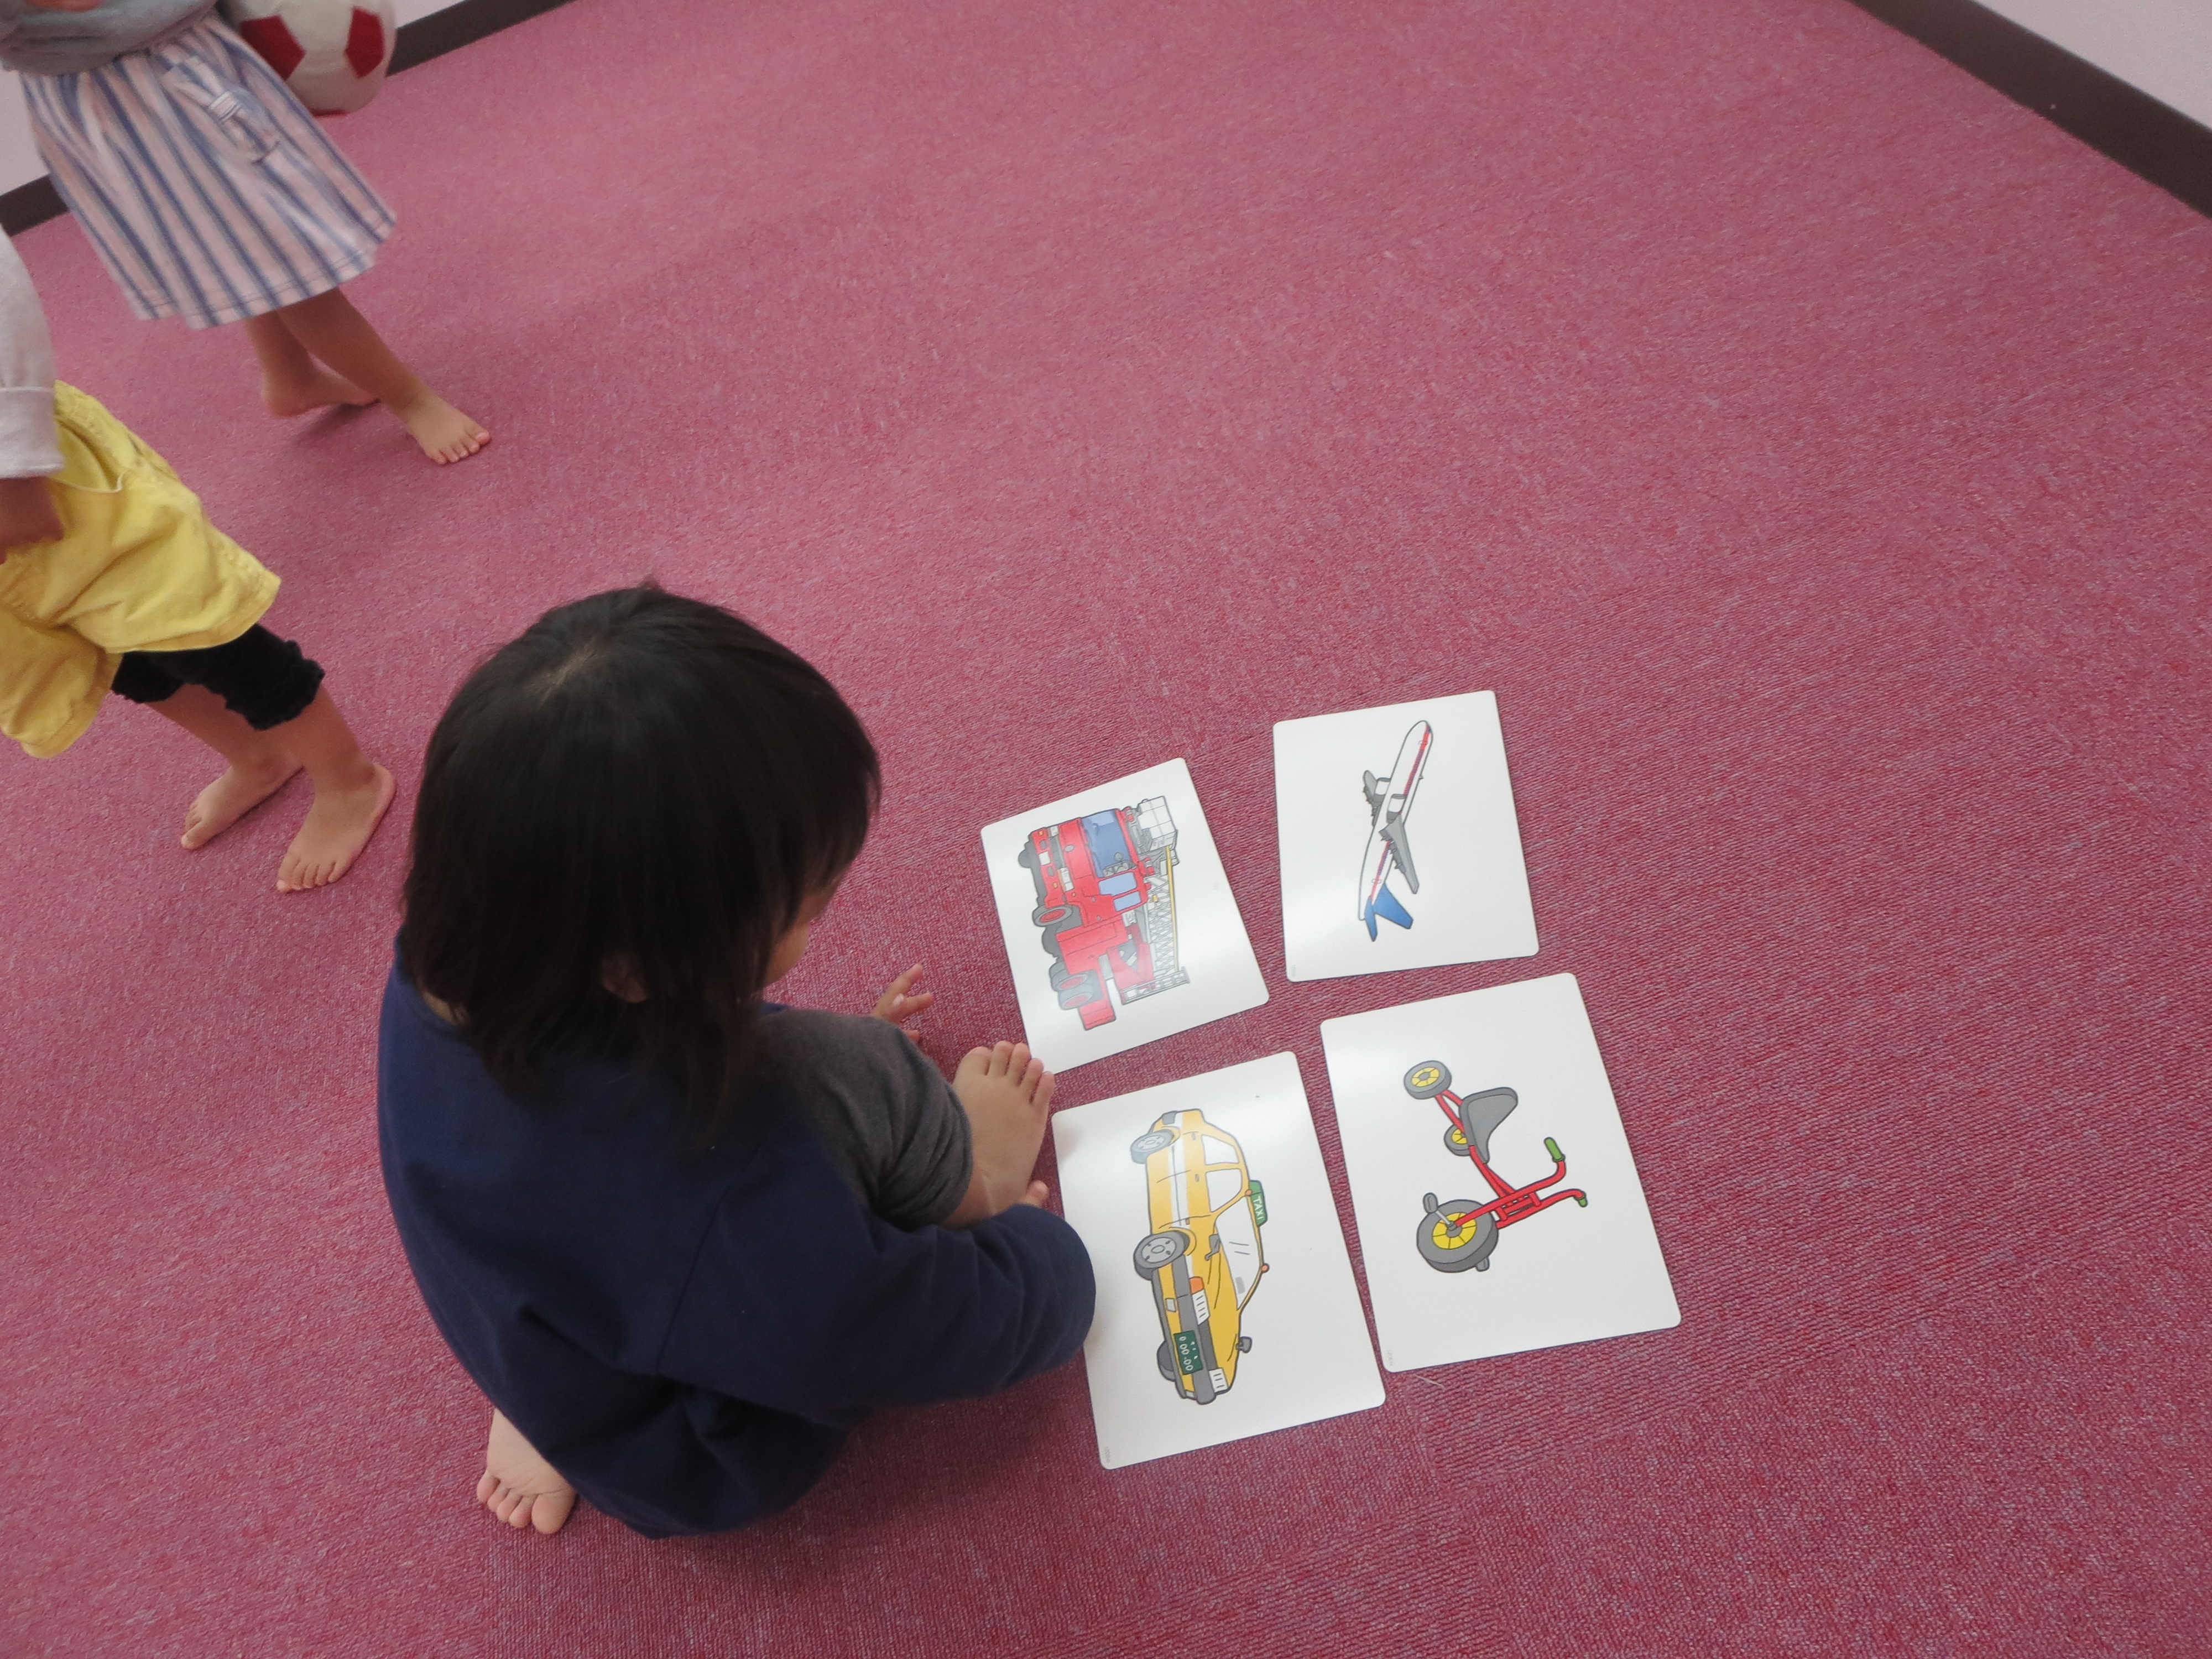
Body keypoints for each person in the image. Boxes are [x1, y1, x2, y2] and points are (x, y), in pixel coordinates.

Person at [379, 586, 1095, 1538]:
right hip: (702, 1443)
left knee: (589, 1291)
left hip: (551, 1305)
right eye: (810, 908)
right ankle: (974, 1178)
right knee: (861, 1112)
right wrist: (1044, 1268)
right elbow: (871, 1333)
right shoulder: (719, 1195)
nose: (820, 920)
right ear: (637, 970)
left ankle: (552, 1404)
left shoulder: (455, 970)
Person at [0, 231, 395, 891]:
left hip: (35, 481)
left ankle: (348, 778)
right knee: (112, 655)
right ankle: (256, 755)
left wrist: (13, 464)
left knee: (194, 631)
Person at [1, 0, 488, 464]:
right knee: (290, 266)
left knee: (256, 248)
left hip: (183, 60)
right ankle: (411, 400)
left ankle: (291, 376)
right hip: (138, 94)